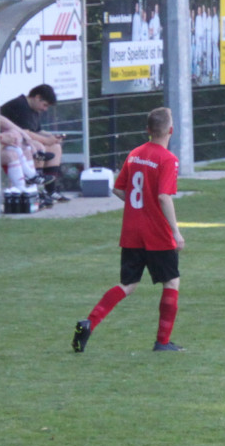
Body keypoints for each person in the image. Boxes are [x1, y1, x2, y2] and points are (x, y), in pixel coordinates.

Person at [73, 107, 185, 353]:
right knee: (171, 282)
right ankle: (162, 342)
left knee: (128, 284)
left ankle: (89, 323)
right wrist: (176, 232)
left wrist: (140, 205)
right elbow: (164, 196)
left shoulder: (135, 154)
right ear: (171, 130)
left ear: (147, 130)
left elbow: (118, 188)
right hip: (156, 233)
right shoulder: (168, 159)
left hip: (132, 231)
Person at [0, 70, 49, 196]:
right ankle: (28, 183)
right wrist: (23, 135)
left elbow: (0, 122)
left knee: (24, 145)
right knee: (17, 146)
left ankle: (34, 188)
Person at [1, 84, 67, 201]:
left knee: (55, 147)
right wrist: (46, 140)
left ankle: (50, 190)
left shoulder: (33, 108)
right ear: (37, 97)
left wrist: (52, 137)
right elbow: (25, 133)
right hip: (7, 143)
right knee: (39, 146)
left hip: (20, 142)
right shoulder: (21, 106)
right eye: (44, 105)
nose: (45, 109)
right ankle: (35, 190)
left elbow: (37, 130)